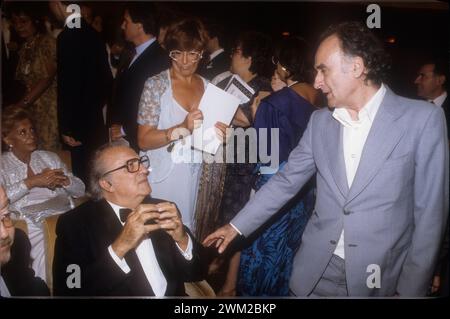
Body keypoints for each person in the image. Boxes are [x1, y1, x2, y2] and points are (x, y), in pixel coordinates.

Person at [204, 21, 449, 297]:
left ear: (356, 67)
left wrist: (411, 291)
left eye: (323, 70)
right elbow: (285, 181)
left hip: (379, 280)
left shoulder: (422, 120)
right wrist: (236, 226)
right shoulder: (320, 122)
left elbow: (430, 218)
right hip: (313, 273)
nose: (316, 82)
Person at [53, 143, 207, 296]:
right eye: (131, 165)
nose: (145, 170)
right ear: (107, 184)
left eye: (141, 162)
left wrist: (182, 241)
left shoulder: (163, 209)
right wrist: (120, 247)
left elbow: (197, 273)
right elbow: (69, 289)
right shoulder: (74, 224)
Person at [235, 36, 318, 296]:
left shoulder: (275, 103)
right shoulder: (319, 98)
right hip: (306, 192)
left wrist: (256, 116)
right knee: (288, 255)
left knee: (261, 255)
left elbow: (264, 153)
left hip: (274, 189)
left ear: (283, 66)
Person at [137, 18, 227, 232]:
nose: (185, 61)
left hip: (195, 181)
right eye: (177, 53)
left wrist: (222, 136)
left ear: (202, 53)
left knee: (187, 240)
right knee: (161, 240)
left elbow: (209, 143)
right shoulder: (156, 85)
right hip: (162, 179)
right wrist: (181, 128)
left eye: (192, 53)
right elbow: (143, 139)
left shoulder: (208, 88)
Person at [0, 106, 85, 283]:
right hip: (28, 219)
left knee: (78, 234)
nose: (31, 135)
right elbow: (2, 199)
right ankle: (47, 287)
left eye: (31, 129)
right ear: (8, 139)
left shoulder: (48, 157)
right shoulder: (2, 165)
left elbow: (81, 190)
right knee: (43, 235)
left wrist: (64, 181)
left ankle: (74, 286)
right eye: (22, 132)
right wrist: (32, 182)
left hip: (63, 212)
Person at [49, 1, 113, 183]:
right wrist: (92, 111)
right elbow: (107, 80)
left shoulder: (67, 37)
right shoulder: (94, 34)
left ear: (57, 3)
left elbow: (68, 86)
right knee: (97, 178)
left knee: (81, 180)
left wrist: (68, 126)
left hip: (77, 127)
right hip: (94, 122)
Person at [107, 3, 170, 152]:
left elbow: (156, 106)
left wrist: (125, 129)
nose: (123, 26)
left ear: (140, 25)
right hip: (120, 136)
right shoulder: (131, 52)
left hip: (138, 140)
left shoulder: (159, 59)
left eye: (126, 21)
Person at [10, 2, 60, 152]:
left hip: (49, 109)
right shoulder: (25, 47)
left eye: (23, 21)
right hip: (31, 112)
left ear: (35, 21)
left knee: (49, 153)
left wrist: (21, 105)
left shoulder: (46, 42)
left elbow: (47, 79)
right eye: (15, 22)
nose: (19, 26)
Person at [0, 185, 50, 297]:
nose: (4, 234)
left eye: (6, 214)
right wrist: (30, 182)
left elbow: (35, 289)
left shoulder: (16, 245)